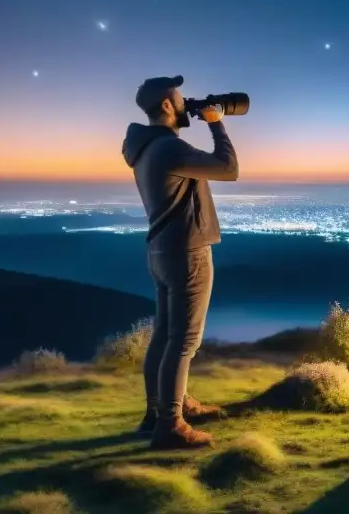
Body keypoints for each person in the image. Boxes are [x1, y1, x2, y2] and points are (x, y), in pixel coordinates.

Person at [122, 75, 239, 450]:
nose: (186, 99)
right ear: (168, 106)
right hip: (186, 251)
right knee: (184, 341)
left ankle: (159, 410)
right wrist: (216, 122)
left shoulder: (147, 148)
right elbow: (228, 168)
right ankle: (170, 424)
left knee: (165, 336)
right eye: (178, 95)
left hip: (161, 249)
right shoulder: (169, 148)